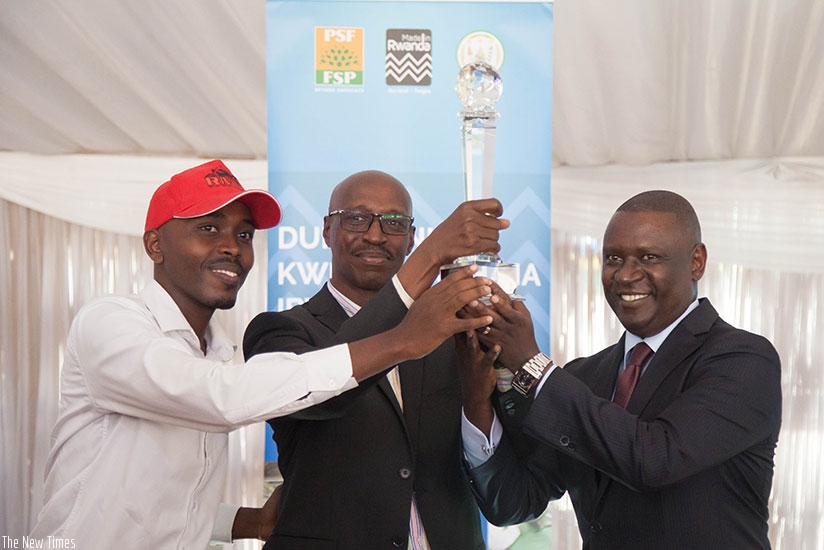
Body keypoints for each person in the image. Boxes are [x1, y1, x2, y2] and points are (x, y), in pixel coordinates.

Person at [29, 160, 497, 550]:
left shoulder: (213, 352)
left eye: (245, 234)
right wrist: (405, 329)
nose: (231, 247)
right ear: (155, 243)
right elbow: (224, 400)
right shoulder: (111, 323)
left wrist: (247, 523)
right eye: (208, 228)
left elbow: (162, 502)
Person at [459, 190, 782, 549]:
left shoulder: (743, 359)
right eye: (613, 257)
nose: (626, 276)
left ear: (696, 261)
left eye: (649, 257)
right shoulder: (585, 377)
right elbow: (513, 502)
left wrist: (533, 365)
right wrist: (478, 398)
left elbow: (654, 460)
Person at [243, 170, 507, 549]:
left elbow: (494, 471)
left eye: (394, 223)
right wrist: (431, 257)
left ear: (410, 238)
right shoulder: (280, 333)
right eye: (356, 218)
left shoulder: (450, 331)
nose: (375, 235)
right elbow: (320, 392)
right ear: (326, 231)